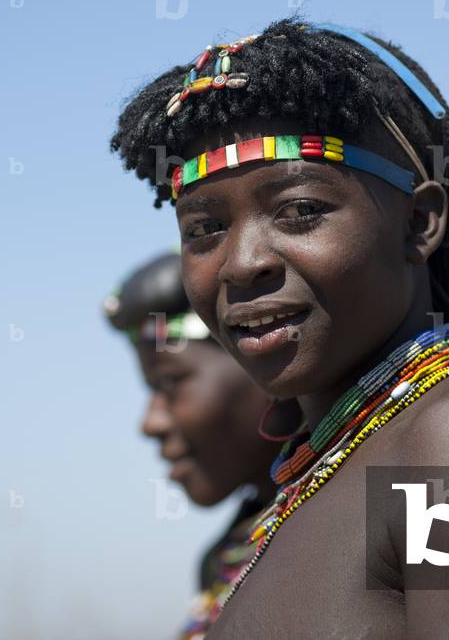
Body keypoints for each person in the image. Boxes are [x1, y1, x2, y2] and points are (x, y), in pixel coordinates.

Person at [109, 19, 449, 638]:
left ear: (418, 222)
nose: (244, 262)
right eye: (203, 229)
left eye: (299, 211)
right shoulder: (322, 470)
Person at [104, 252, 300, 638]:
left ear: (266, 367)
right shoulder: (225, 557)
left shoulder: (360, 509)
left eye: (171, 383)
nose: (151, 422)